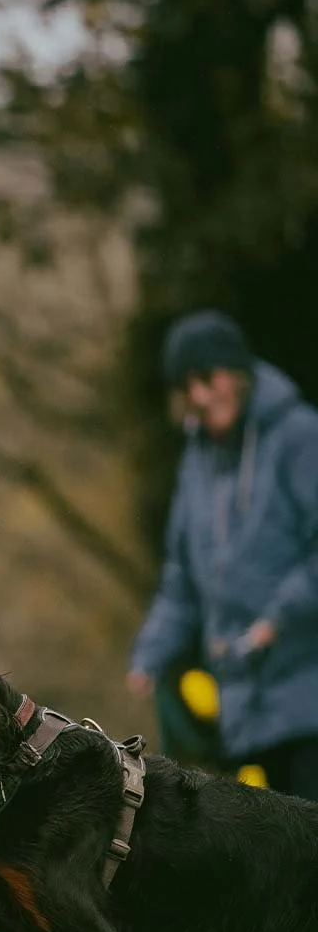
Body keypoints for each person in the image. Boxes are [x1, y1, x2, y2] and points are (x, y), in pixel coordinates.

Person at [128, 310, 318, 799]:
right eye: (186, 385)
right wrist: (151, 652)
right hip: (244, 710)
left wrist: (278, 619)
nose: (199, 395)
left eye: (208, 378)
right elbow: (181, 578)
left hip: (306, 689)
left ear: (239, 375)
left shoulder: (298, 436)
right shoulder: (195, 462)